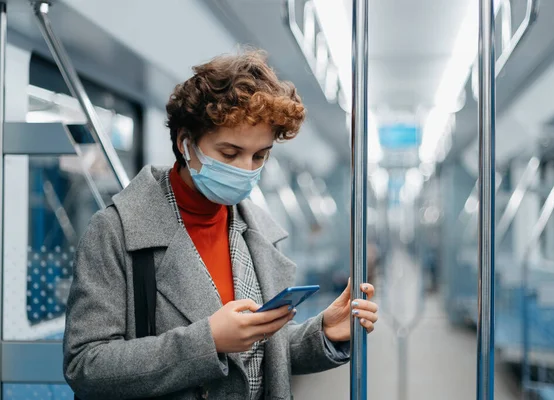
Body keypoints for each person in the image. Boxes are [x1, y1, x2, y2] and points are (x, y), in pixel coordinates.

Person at [63, 49, 379, 400]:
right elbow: (86, 365)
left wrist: (322, 334)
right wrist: (208, 342)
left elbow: (257, 356)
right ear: (185, 142)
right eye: (229, 153)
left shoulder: (258, 233)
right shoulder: (116, 231)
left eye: (259, 155)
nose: (246, 169)